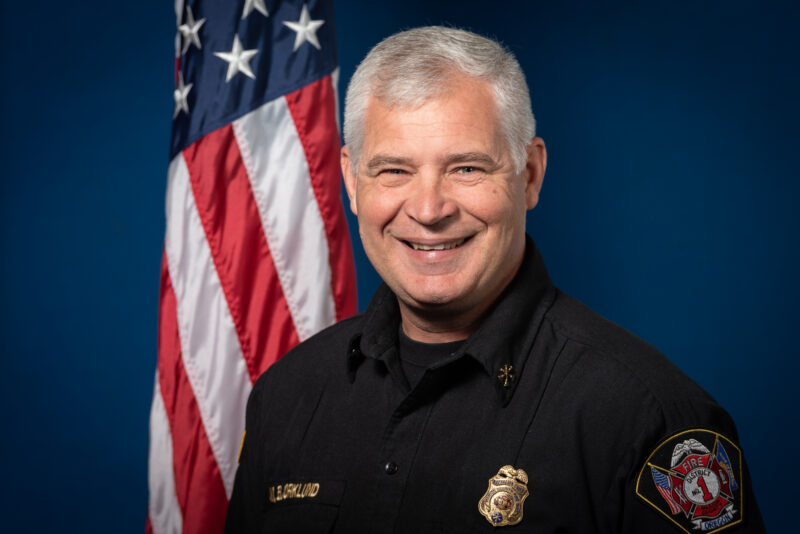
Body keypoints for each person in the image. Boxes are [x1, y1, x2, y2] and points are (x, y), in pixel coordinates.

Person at [225, 26, 764, 533]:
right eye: (395, 170)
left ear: (529, 175)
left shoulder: (652, 419)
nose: (429, 209)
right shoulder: (286, 395)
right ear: (351, 179)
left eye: (466, 168)